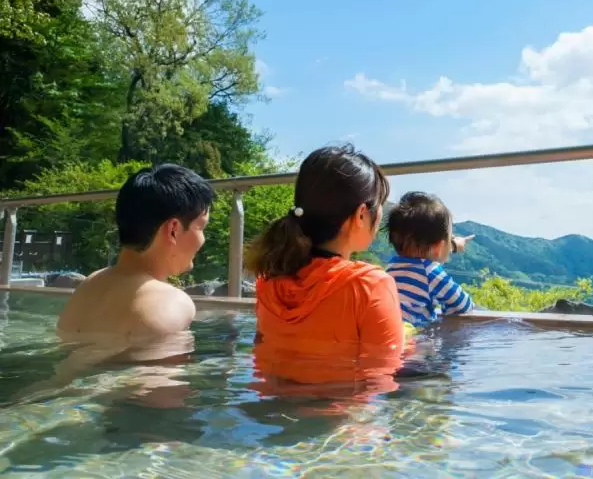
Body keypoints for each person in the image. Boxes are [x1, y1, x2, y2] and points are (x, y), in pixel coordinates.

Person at [245, 144, 406, 387]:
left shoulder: (268, 282)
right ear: (361, 214)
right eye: (379, 204)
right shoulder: (369, 285)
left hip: (276, 413)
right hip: (344, 421)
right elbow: (383, 377)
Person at [56, 163, 214, 341]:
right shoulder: (172, 304)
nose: (203, 240)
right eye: (201, 227)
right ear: (173, 230)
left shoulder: (87, 287)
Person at [386, 191, 475, 328]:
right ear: (439, 246)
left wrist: (452, 245)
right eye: (450, 237)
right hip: (411, 340)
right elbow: (463, 304)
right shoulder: (430, 273)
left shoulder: (391, 267)